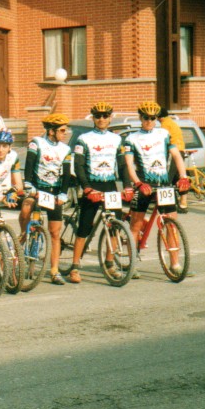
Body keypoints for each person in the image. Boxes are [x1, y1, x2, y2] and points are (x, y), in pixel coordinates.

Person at [123, 101, 189, 278]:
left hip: (163, 184)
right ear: (140, 118)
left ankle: (175, 263)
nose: (149, 121)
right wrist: (138, 183)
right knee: (136, 224)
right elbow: (129, 164)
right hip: (144, 184)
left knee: (171, 224)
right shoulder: (132, 138)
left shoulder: (164, 134)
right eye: (146, 118)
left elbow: (176, 156)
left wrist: (183, 176)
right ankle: (132, 263)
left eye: (153, 118)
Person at [67, 102, 126, 283]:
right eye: (98, 116)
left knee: (115, 225)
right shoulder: (84, 138)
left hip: (109, 184)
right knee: (84, 227)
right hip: (91, 184)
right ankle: (75, 267)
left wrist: (128, 186)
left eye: (105, 116)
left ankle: (110, 263)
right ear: (93, 118)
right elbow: (78, 165)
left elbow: (122, 165)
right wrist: (86, 187)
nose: (101, 119)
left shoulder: (117, 139)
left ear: (110, 118)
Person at [18, 113, 72, 285]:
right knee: (26, 208)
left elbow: (66, 174)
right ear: (51, 131)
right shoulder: (36, 143)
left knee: (55, 233)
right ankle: (23, 235)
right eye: (62, 130)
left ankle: (55, 271)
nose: (65, 133)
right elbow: (29, 165)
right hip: (37, 189)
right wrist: (29, 185)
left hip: (54, 192)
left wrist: (63, 194)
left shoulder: (65, 149)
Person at [158, 107, 188, 212]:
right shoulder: (172, 123)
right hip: (180, 151)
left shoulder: (164, 125)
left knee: (167, 179)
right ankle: (183, 203)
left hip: (172, 152)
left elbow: (164, 140)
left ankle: (165, 205)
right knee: (178, 178)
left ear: (159, 117)